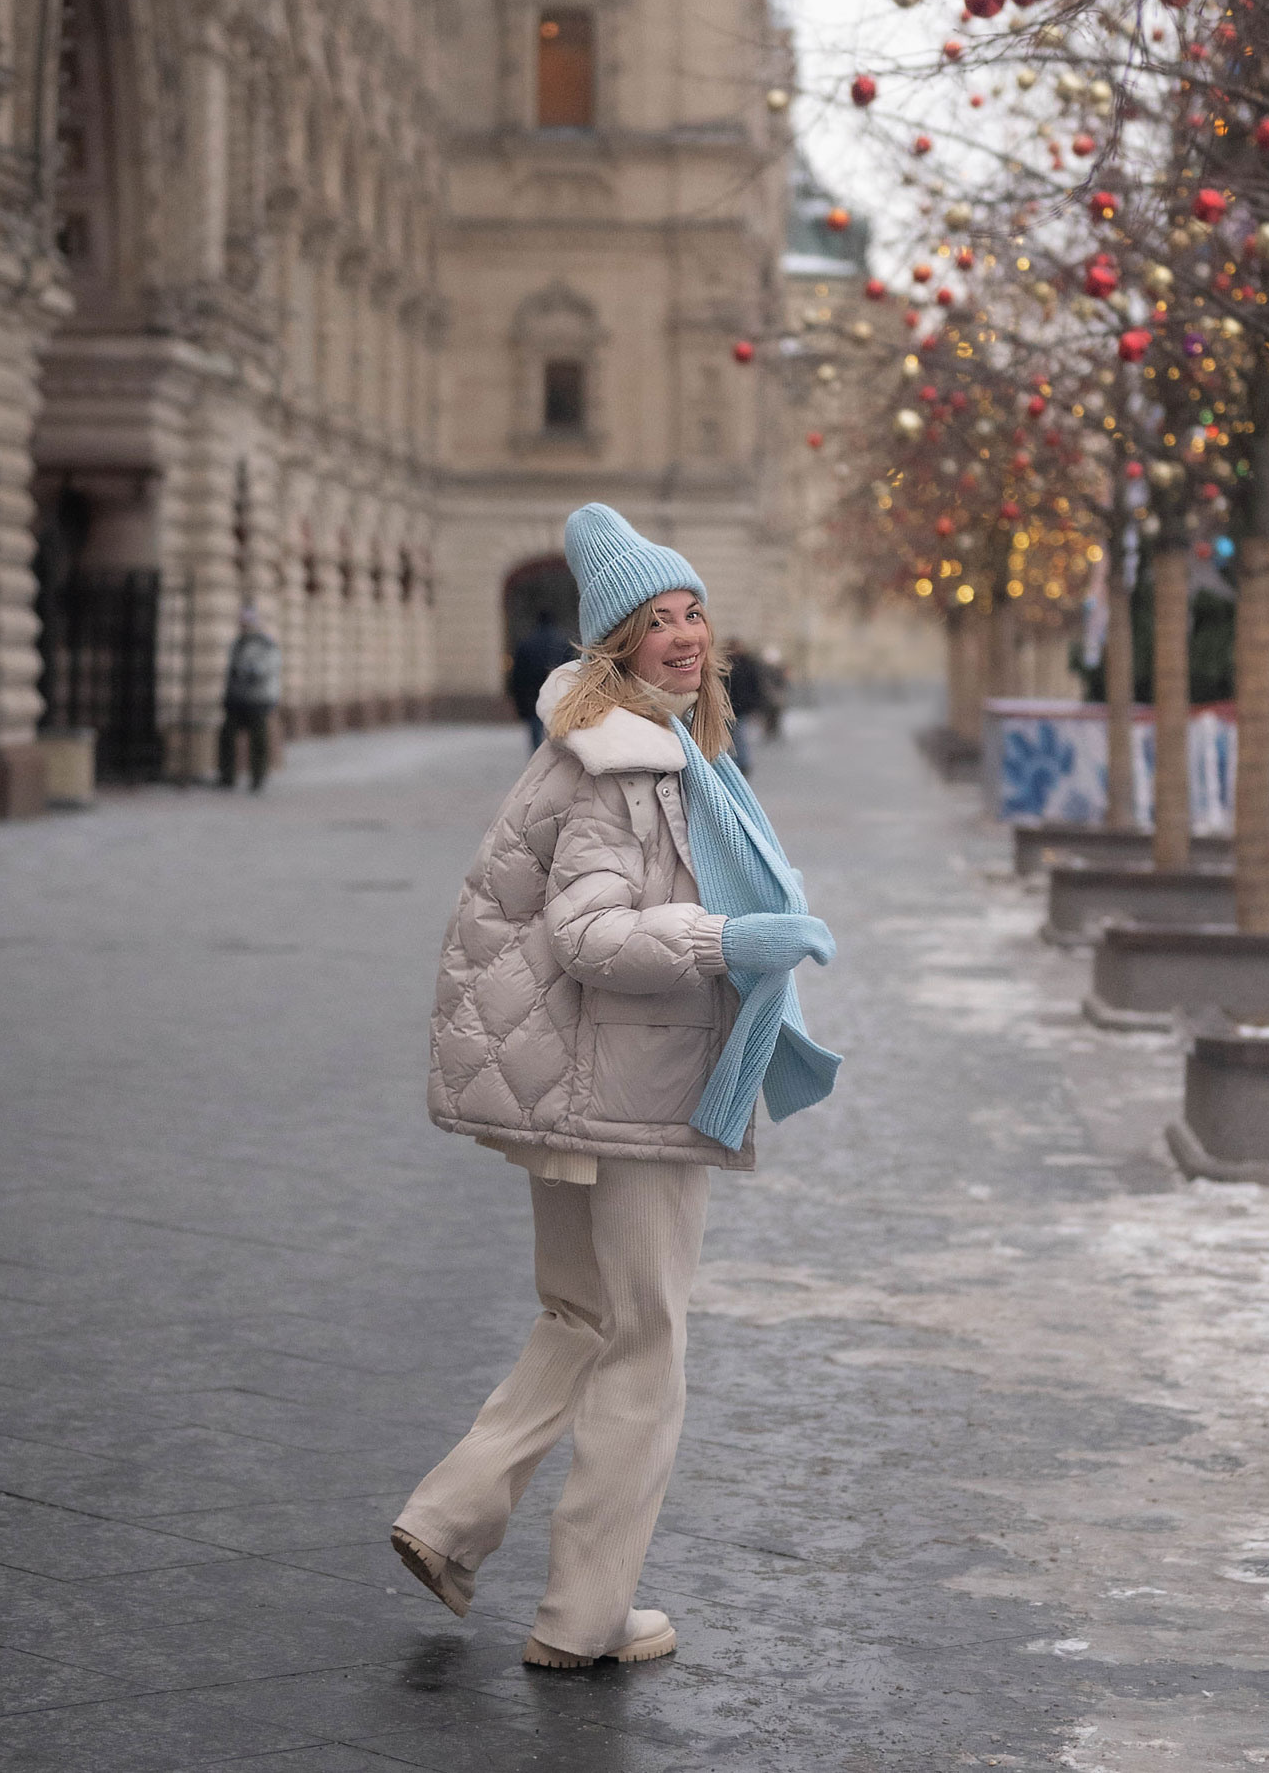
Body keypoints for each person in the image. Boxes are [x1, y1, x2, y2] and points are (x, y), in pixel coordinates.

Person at [392, 503, 840, 1672]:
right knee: (643, 1342)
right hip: (625, 1089)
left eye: (694, 612)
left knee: (580, 1318)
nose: (685, 636)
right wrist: (728, 940)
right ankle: (582, 1619)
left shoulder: (642, 751)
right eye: (656, 622)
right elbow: (592, 935)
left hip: (578, 1089)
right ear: (616, 651)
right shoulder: (627, 765)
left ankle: (446, 1521)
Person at [217, 605, 282, 791]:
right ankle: (227, 776)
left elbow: (266, 668)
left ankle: (258, 778)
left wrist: (247, 671)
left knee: (258, 741)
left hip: (258, 700)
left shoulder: (265, 644)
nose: (243, 626)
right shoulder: (238, 643)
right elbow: (230, 671)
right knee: (227, 737)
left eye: (246, 622)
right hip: (236, 699)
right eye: (242, 622)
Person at [507, 604, 574, 749]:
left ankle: (539, 767)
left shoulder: (526, 644)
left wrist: (517, 701)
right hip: (559, 697)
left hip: (532, 698)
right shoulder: (563, 643)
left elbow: (518, 676)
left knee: (536, 740)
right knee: (559, 739)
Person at [724, 639, 765, 777]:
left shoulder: (748, 665)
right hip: (727, 707)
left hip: (742, 707)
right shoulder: (725, 664)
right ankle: (735, 763)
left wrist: (754, 705)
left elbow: (755, 686)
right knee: (731, 737)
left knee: (740, 736)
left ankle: (742, 763)